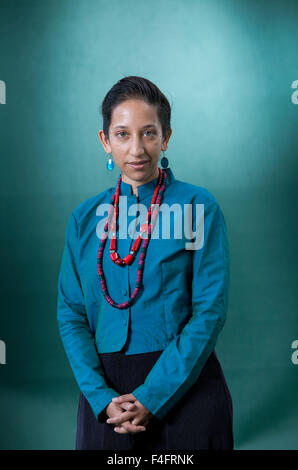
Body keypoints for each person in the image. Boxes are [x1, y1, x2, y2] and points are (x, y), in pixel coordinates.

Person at [57, 75, 234, 450]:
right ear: (105, 141)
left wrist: (153, 395)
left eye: (149, 133)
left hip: (186, 386)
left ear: (166, 137)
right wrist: (100, 397)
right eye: (122, 134)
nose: (137, 149)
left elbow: (210, 310)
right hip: (107, 400)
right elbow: (71, 314)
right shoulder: (83, 219)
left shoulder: (198, 207)